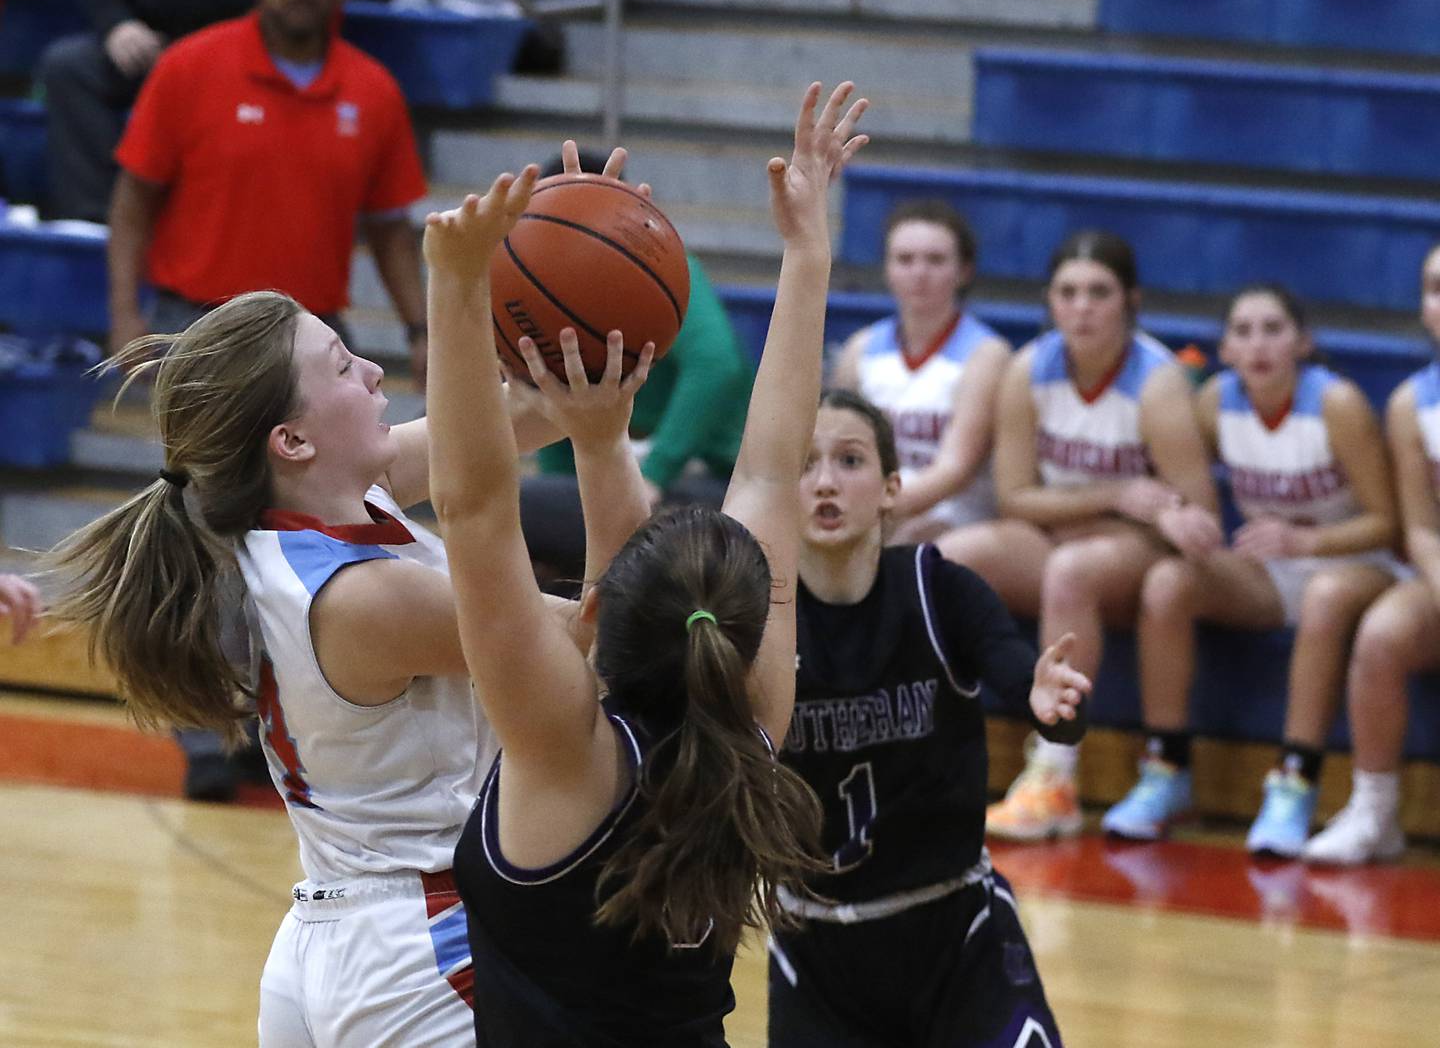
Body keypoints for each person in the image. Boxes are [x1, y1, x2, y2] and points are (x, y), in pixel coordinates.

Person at [45, 145, 647, 1046]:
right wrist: (605, 449)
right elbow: (602, 634)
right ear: (291, 440)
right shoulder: (361, 600)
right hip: (419, 952)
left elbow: (511, 419)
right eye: (340, 365)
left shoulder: (324, 501)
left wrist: (590, 275)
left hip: (340, 938)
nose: (371, 372)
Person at [425, 80, 867, 1044]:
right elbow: (768, 469)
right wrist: (807, 253)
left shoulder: (570, 747)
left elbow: (468, 507)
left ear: (588, 615)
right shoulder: (752, 721)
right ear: (757, 622)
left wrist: (461, 284)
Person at [766, 388, 1089, 1047]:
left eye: (850, 461)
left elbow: (1020, 673)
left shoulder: (939, 589)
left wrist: (1049, 706)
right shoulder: (761, 621)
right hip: (817, 953)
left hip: (956, 935)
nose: (826, 482)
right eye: (806, 464)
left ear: (890, 488)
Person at [937, 230, 1222, 841]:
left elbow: (1197, 516)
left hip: (1133, 551)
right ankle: (929, 745)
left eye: (1099, 292)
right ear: (1050, 301)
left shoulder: (1158, 382)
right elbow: (1014, 496)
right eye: (1068, 292)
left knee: (1074, 570)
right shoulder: (1026, 370)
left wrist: (1110, 516)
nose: (1083, 306)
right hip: (1073, 527)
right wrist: (1116, 497)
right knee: (948, 559)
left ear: (1130, 301)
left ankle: (1054, 774)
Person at [1102, 285, 1403, 857]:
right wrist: (1173, 512)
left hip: (1355, 566)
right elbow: (1174, 474)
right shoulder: (1215, 402)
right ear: (1226, 350)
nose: (1258, 344)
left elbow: (1388, 523)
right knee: (1169, 582)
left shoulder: (1337, 404)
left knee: (1323, 596)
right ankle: (1165, 770)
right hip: (1270, 570)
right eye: (1242, 332)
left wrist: (1305, 538)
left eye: (1273, 329)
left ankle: (1295, 781)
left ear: (1304, 342)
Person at [106, 0, 430, 389]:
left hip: (315, 329)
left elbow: (390, 226)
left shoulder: (375, 90)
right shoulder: (188, 67)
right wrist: (124, 317)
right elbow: (133, 198)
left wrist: (421, 331)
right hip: (196, 327)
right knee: (195, 464)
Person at [521, 149, 754, 590]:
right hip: (605, 470)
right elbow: (550, 401)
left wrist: (655, 472)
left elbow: (716, 364)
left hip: (703, 470)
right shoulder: (536, 281)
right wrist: (563, 495)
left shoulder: (664, 268)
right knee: (527, 511)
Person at [1303, 246, 1440, 866]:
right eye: (1435, 289)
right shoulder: (1414, 404)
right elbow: (1419, 529)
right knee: (1382, 634)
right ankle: (1375, 811)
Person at [38, 0, 258, 223]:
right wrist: (119, 25)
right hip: (151, 49)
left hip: (233, 50)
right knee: (68, 67)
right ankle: (95, 222)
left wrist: (231, 43)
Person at [831, 200, 1009, 542]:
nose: (919, 272)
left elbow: (955, 470)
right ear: (887, 268)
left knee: (902, 543)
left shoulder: (987, 355)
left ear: (964, 271)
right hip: (874, 505)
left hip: (957, 513)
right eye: (905, 259)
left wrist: (868, 512)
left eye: (936, 260)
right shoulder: (860, 349)